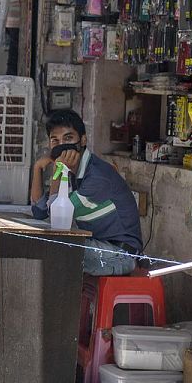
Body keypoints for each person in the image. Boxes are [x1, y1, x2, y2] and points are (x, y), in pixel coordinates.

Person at [29, 109, 142, 276]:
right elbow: (39, 213)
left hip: (120, 254)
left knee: (51, 251)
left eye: (68, 138)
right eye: (55, 140)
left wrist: (57, 172)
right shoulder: (72, 174)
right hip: (96, 245)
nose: (61, 146)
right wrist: (38, 168)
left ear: (83, 140)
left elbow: (56, 220)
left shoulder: (97, 177)